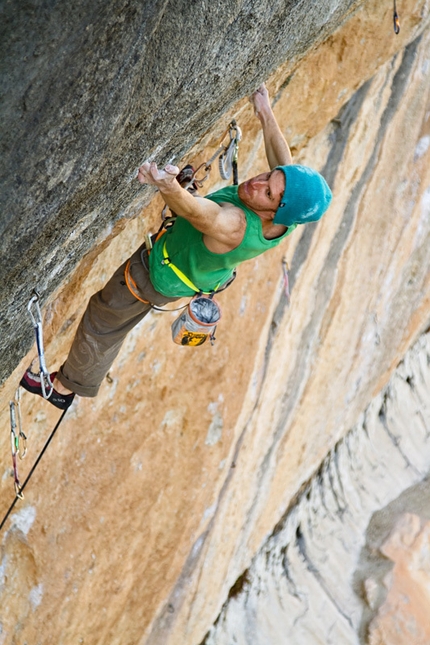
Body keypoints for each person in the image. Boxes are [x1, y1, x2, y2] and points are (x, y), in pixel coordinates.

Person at [21, 84, 332, 409]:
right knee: (115, 320)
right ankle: (70, 381)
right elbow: (284, 162)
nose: (258, 183)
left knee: (104, 319)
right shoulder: (290, 212)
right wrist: (265, 111)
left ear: (274, 211)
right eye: (269, 177)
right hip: (196, 271)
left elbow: (195, 211)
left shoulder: (235, 225)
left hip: (158, 274)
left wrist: (167, 185)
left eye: (268, 193)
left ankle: (63, 387)